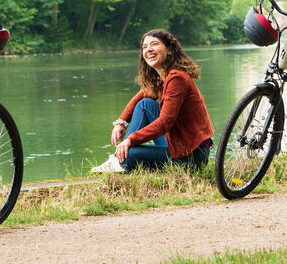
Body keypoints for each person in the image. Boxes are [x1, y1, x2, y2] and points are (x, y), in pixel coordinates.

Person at [91, 29, 214, 173]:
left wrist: (130, 139)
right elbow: (142, 95)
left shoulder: (177, 78)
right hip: (177, 145)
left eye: (154, 44)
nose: (149, 50)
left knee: (130, 154)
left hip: (191, 157)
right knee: (145, 105)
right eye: (145, 47)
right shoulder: (162, 77)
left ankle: (120, 159)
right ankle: (119, 159)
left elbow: (165, 122)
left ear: (169, 49)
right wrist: (121, 122)